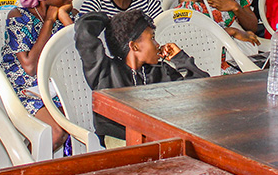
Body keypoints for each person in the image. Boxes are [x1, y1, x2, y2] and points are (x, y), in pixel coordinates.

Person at [74, 9, 208, 140]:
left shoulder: (160, 71)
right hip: (121, 142)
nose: (157, 44)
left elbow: (202, 92)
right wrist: (111, 21)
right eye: (153, 38)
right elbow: (83, 29)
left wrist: (180, 58)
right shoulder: (106, 71)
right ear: (134, 46)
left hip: (158, 139)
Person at [0, 0, 71, 151]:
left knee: (78, 120)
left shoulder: (63, 12)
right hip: (23, 85)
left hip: (53, 83)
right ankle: (24, 169)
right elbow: (29, 66)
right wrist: (48, 22)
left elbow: (77, 53)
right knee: (55, 134)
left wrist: (64, 18)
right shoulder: (18, 17)